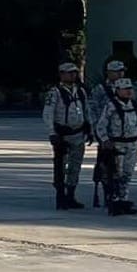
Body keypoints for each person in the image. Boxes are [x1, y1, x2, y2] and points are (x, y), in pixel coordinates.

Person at [44, 62, 93, 209]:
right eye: (69, 72)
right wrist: (52, 133)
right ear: (61, 74)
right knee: (60, 167)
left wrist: (89, 128)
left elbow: (87, 110)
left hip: (78, 134)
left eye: (74, 72)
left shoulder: (80, 92)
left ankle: (71, 195)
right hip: (62, 135)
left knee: (75, 167)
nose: (73, 75)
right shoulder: (55, 92)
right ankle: (61, 196)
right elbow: (48, 113)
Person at [92, 78, 137, 216]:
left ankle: (124, 200)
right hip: (117, 145)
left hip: (132, 144)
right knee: (116, 174)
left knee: (128, 174)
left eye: (130, 88)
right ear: (118, 90)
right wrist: (105, 140)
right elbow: (101, 125)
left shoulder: (136, 105)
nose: (128, 91)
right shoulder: (111, 106)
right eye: (125, 89)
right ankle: (114, 201)